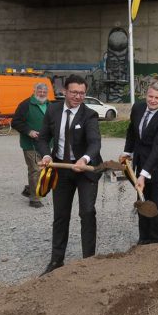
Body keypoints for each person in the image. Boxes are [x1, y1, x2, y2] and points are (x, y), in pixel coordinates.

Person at [37, 74, 102, 275]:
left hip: (85, 171)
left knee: (87, 213)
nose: (78, 96)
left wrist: (84, 159)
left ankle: (88, 262)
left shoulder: (89, 115)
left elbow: (94, 142)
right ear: (64, 91)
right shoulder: (53, 110)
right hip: (61, 169)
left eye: (82, 93)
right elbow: (42, 138)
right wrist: (46, 154)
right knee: (61, 216)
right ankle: (57, 261)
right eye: (74, 92)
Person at [121, 80, 158, 244]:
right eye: (150, 96)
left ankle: (154, 243)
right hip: (141, 162)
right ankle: (143, 239)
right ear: (146, 94)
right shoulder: (138, 108)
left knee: (156, 206)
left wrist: (144, 175)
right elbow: (132, 131)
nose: (152, 100)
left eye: (157, 98)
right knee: (142, 201)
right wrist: (127, 151)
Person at [12, 82, 50, 208]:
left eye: (44, 91)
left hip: (46, 144)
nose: (42, 93)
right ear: (34, 91)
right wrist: (29, 131)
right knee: (35, 170)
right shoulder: (25, 104)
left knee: (44, 170)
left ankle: (30, 189)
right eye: (40, 91)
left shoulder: (50, 105)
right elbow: (15, 122)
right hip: (30, 144)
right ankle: (34, 199)